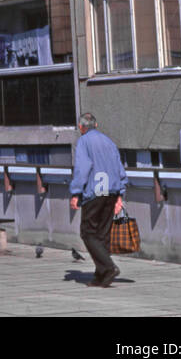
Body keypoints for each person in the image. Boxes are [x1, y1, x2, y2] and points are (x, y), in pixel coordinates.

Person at [69, 113, 127, 288]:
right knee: (102, 235)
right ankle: (101, 276)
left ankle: (108, 268)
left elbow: (82, 168)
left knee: (88, 233)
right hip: (111, 191)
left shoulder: (84, 142)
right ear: (97, 124)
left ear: (81, 127)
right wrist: (120, 194)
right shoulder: (109, 142)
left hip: (96, 191)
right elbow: (119, 168)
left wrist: (76, 193)